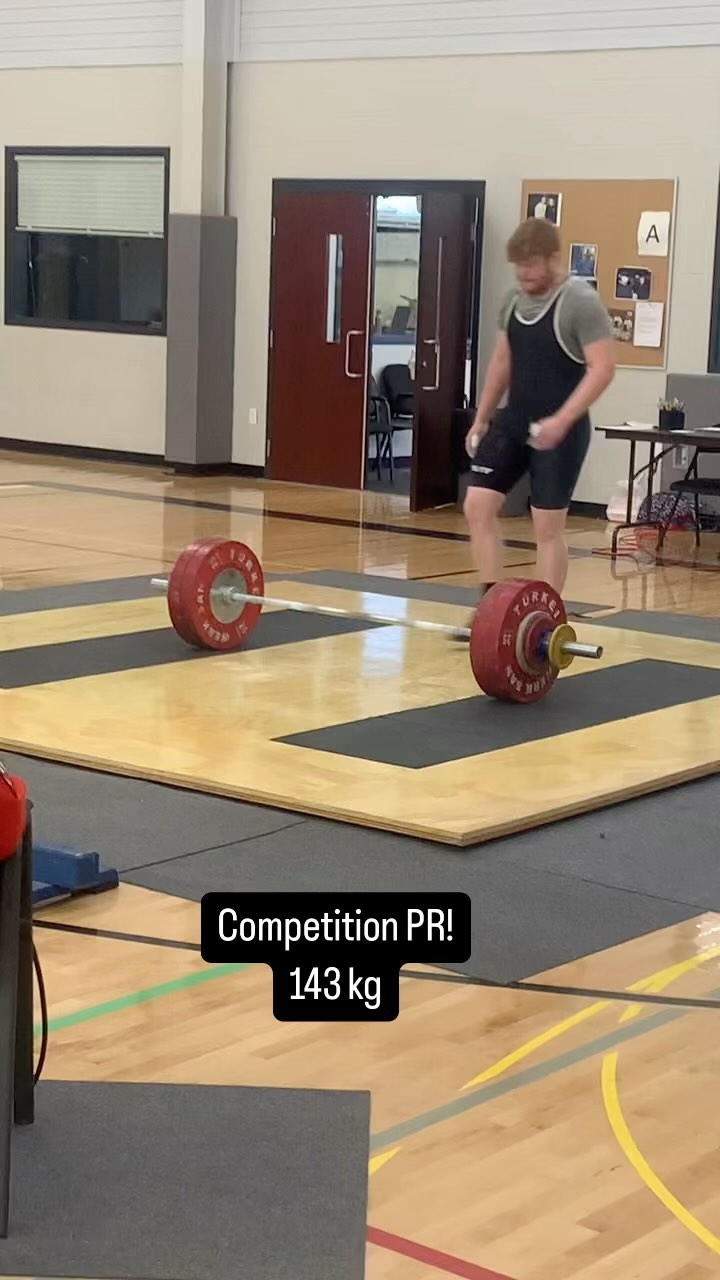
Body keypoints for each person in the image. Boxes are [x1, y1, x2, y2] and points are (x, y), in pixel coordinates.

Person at [462, 217, 616, 610]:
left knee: (546, 526)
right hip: (515, 419)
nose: (524, 273)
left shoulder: (579, 303)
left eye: (531, 264)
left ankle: (545, 615)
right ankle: (492, 608)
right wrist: (481, 418)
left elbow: (603, 369)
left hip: (561, 430)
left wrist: (562, 420)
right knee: (477, 506)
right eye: (519, 265)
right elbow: (502, 362)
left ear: (552, 258)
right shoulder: (513, 300)